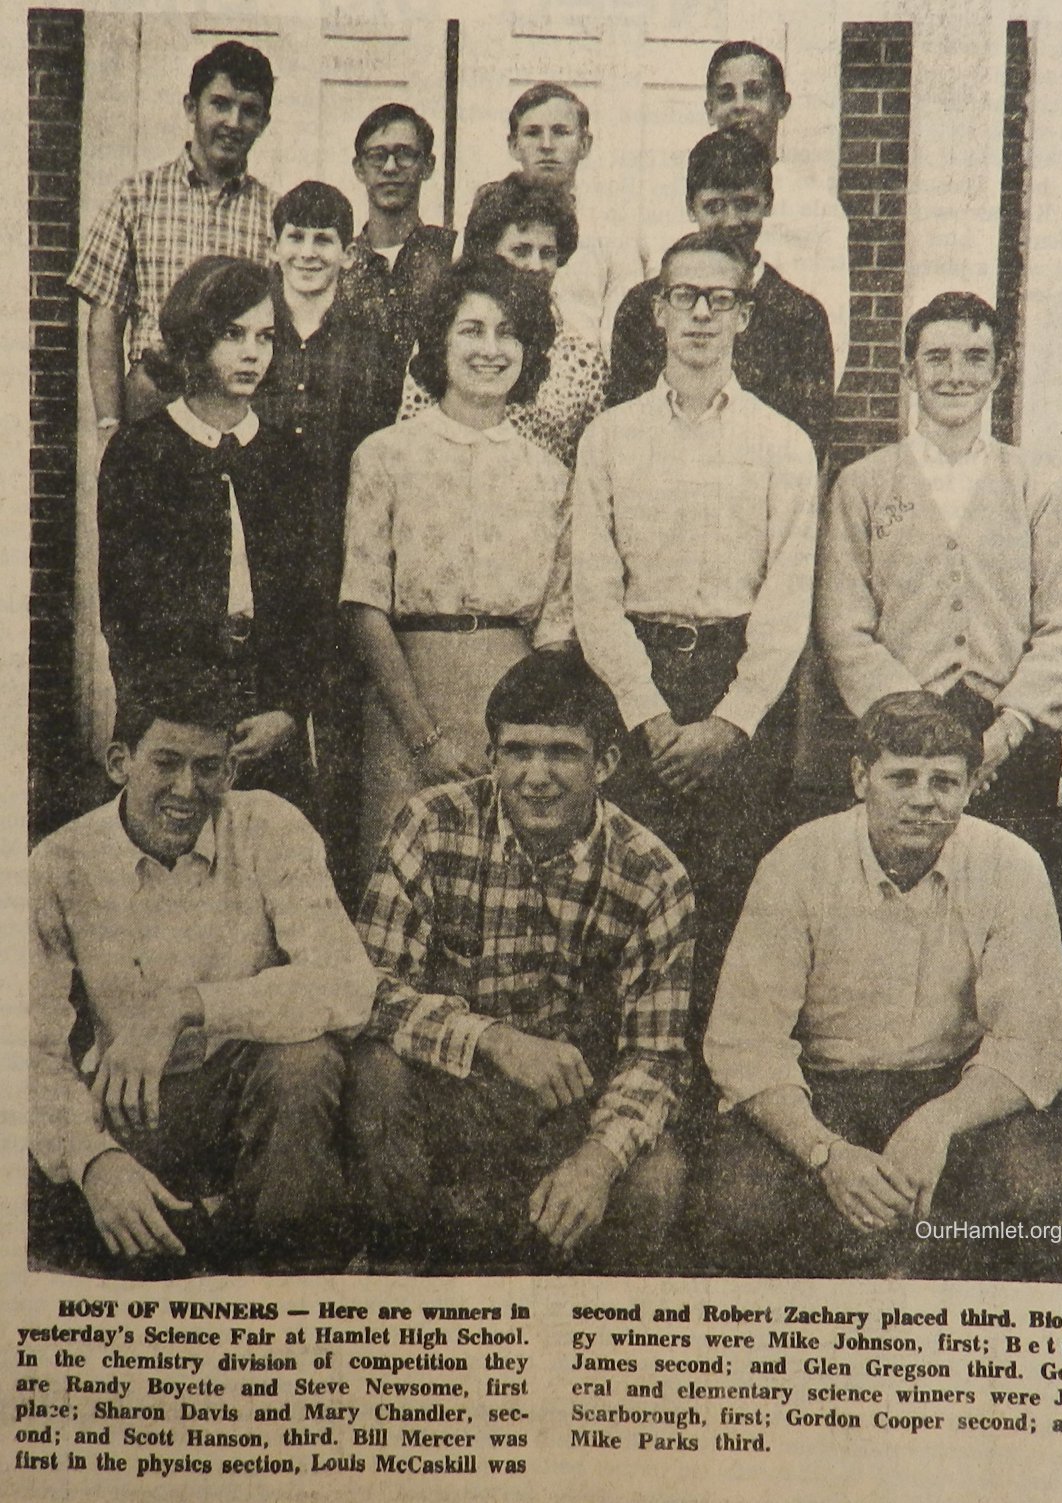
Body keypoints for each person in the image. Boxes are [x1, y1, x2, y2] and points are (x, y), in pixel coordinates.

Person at [697, 691, 1062, 1280]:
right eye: (902, 777)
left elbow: (1035, 1041)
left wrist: (938, 1123)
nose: (923, 800)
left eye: (945, 782)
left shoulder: (1011, 866)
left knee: (1045, 1198)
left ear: (973, 785)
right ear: (860, 777)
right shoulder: (798, 862)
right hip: (821, 1090)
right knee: (739, 1211)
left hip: (951, 1088)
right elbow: (744, 1041)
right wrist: (825, 1155)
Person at [345, 654, 694, 1273]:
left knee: (656, 1176)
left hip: (571, 1113)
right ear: (492, 757)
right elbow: (364, 990)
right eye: (517, 751)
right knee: (376, 1073)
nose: (537, 776)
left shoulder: (654, 875)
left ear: (606, 763)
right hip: (452, 1092)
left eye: (562, 752)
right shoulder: (431, 823)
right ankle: (398, 1278)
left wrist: (597, 1159)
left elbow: (656, 1054)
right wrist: (493, 1040)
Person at [28, 672, 378, 1276]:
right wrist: (93, 1160)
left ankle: (284, 1270)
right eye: (166, 763)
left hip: (256, 1098)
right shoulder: (59, 863)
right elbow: (27, 1049)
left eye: (209, 768)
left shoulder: (271, 826)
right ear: (121, 763)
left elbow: (348, 983)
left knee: (306, 1060)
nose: (187, 790)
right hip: (139, 1106)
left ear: (231, 773)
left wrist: (186, 1007)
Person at [572, 228, 818, 1033]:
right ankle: (626, 1081)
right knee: (622, 892)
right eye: (685, 296)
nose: (702, 315)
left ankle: (715, 1087)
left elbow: (785, 603)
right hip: (634, 688)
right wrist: (647, 715)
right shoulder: (609, 437)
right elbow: (594, 594)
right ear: (656, 310)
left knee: (729, 895)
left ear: (745, 315)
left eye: (721, 299)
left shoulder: (782, 445)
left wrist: (729, 722)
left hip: (735, 692)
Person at [818, 292, 1062, 853]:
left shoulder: (1035, 485)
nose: (956, 375)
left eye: (974, 358)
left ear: (996, 372)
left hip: (1012, 736)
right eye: (937, 357)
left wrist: (1008, 729)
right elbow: (843, 628)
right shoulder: (863, 486)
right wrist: (914, 725)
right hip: (898, 739)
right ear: (908, 372)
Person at [341, 256, 573, 868]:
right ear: (439, 342)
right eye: (472, 330)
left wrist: (526, 740)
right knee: (402, 879)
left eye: (508, 332)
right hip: (407, 706)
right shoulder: (384, 456)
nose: (491, 349)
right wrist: (424, 736)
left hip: (512, 708)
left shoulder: (551, 477)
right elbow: (364, 605)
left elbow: (556, 631)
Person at [97, 256, 316, 812]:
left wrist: (288, 709)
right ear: (196, 339)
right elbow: (124, 610)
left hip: (267, 721)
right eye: (232, 334)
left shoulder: (288, 458)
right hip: (173, 718)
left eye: (265, 337)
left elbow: (311, 602)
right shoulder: (141, 453)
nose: (252, 353)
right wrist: (182, 723)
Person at [253, 181, 393, 908]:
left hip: (339, 569)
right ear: (274, 245)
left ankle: (334, 913)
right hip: (260, 569)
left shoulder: (371, 346)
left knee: (338, 750)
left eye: (324, 239)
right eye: (296, 236)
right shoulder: (249, 329)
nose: (309, 252)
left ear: (347, 252)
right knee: (264, 744)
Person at [67, 40, 276, 431]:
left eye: (249, 111)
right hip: (153, 402)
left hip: (234, 414)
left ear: (263, 122)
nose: (233, 122)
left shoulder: (274, 214)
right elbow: (105, 322)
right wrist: (110, 425)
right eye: (220, 104)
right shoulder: (136, 197)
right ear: (191, 108)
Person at [609, 129, 834, 463]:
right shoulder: (643, 306)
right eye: (714, 206)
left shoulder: (802, 316)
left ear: (768, 203)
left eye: (746, 204)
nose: (731, 221)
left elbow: (809, 444)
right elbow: (625, 426)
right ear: (691, 207)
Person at [645, 39, 850, 385]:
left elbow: (830, 338)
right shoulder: (671, 200)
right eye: (726, 95)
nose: (740, 106)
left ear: (781, 104)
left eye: (754, 92)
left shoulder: (819, 210)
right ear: (709, 109)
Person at [398, 172, 608, 467]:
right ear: (488, 251)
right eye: (521, 250)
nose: (536, 266)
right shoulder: (451, 341)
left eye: (547, 253)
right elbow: (410, 442)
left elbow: (589, 471)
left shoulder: (584, 360)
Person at [480, 82, 642, 355]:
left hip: (585, 380)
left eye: (560, 132)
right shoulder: (488, 221)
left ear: (584, 144)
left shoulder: (614, 232)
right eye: (532, 133)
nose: (546, 145)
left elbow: (622, 331)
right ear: (514, 145)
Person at [336, 102, 456, 415]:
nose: (390, 168)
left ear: (427, 166)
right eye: (377, 156)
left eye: (405, 154)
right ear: (359, 168)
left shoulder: (451, 253)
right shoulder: (338, 262)